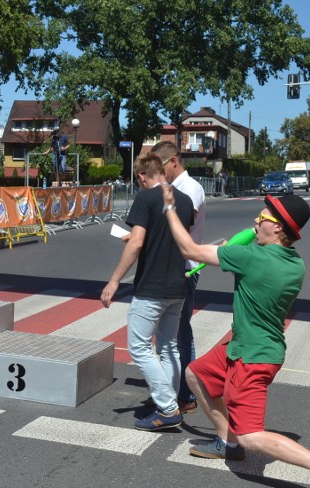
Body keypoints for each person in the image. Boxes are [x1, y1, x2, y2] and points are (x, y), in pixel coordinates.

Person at [160, 188, 310, 488]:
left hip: (252, 357)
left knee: (252, 435)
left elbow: (188, 249)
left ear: (277, 226)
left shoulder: (250, 257)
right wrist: (234, 252)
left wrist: (170, 209)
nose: (255, 219)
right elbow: (256, 266)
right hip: (249, 346)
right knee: (196, 374)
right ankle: (228, 442)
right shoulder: (294, 264)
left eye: (262, 216)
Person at [100, 153, 194, 431]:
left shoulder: (145, 198)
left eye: (137, 179)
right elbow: (174, 237)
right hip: (177, 285)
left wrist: (114, 280)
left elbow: (138, 243)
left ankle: (166, 408)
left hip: (151, 286)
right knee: (168, 347)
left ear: (142, 176)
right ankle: (171, 401)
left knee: (139, 347)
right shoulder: (185, 200)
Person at [151, 141, 205, 414]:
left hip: (185, 267)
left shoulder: (191, 188)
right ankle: (174, 389)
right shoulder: (172, 188)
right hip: (171, 267)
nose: (161, 174)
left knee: (181, 333)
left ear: (173, 161)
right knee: (168, 334)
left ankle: (186, 394)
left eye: (162, 168)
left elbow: (185, 223)